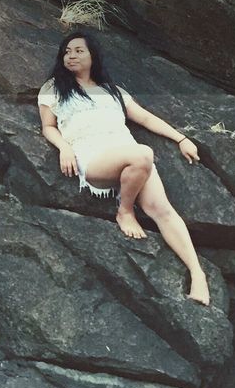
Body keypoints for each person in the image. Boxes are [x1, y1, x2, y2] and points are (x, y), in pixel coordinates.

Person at [36, 31, 210, 306]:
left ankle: (197, 275)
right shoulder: (53, 88)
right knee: (144, 154)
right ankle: (125, 211)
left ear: (93, 55)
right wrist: (64, 148)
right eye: (67, 51)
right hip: (94, 157)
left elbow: (144, 118)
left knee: (162, 210)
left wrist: (182, 139)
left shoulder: (113, 91)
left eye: (79, 50)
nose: (71, 55)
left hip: (128, 154)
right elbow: (48, 126)